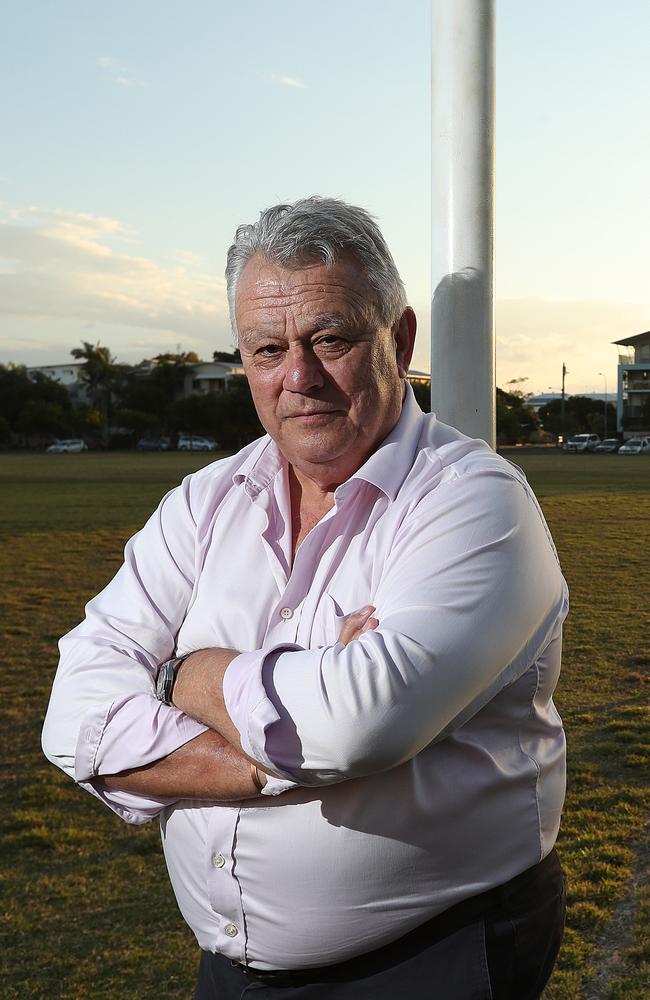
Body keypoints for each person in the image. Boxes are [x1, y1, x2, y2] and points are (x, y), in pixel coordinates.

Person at [42, 196, 568, 999]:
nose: (299, 377)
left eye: (331, 338)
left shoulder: (476, 503)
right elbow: (74, 712)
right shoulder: (206, 500)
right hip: (229, 969)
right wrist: (277, 748)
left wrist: (181, 674)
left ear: (398, 340)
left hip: (433, 957)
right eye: (267, 349)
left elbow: (358, 725)